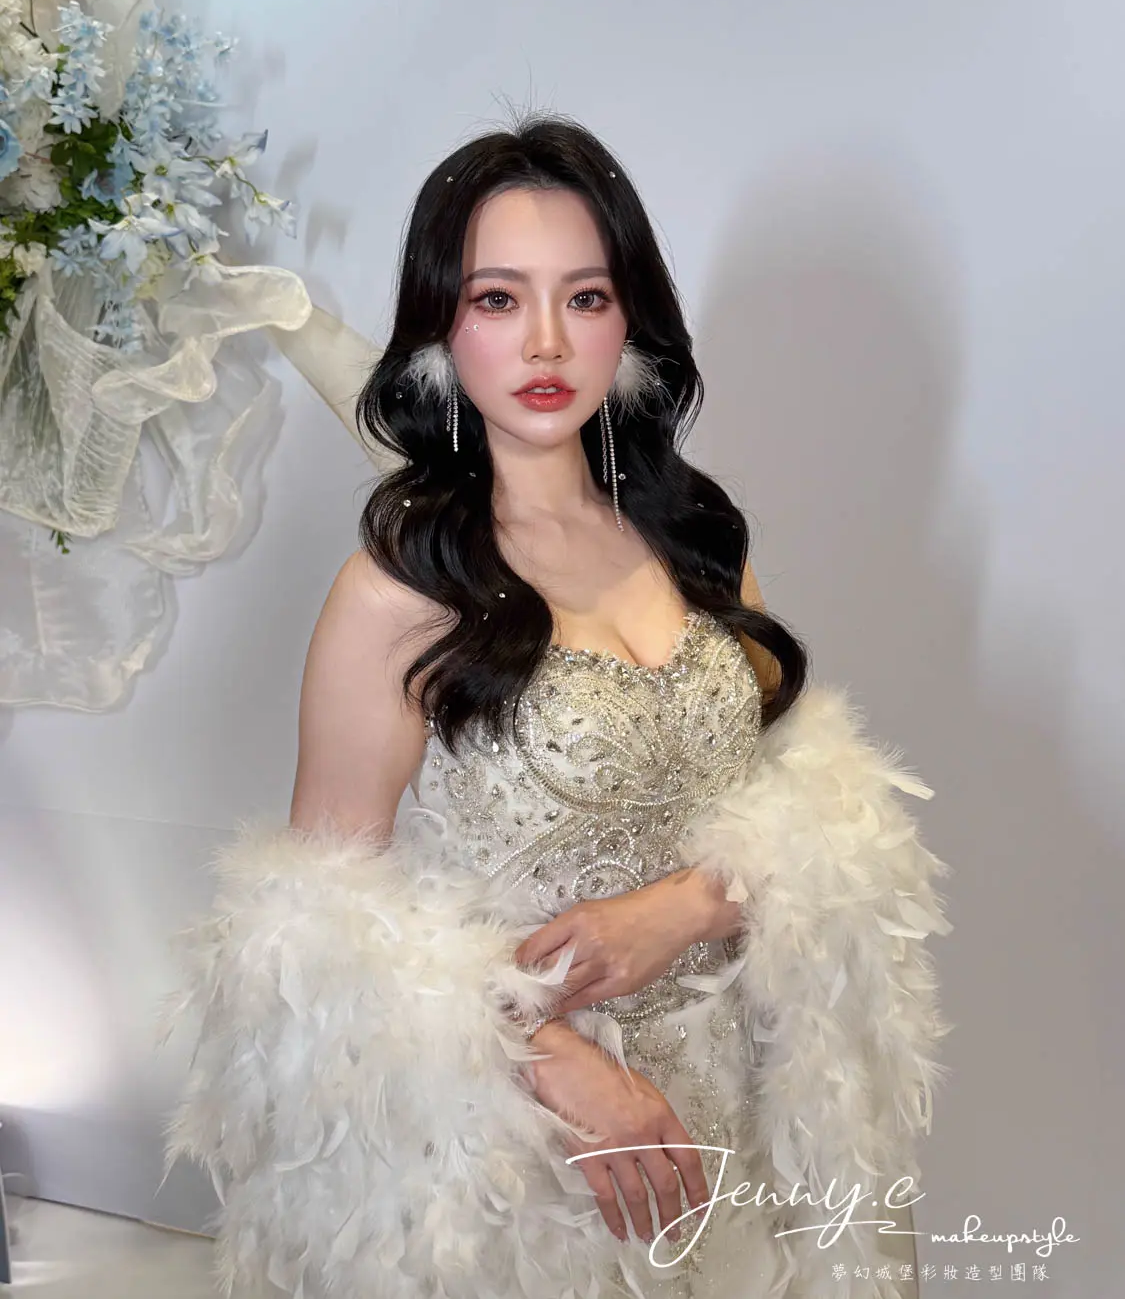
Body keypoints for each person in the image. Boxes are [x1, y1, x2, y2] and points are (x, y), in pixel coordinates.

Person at [157, 116, 953, 1299]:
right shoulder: (400, 591)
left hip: (749, 1111)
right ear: (442, 327)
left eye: (585, 298)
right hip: (531, 1161)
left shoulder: (695, 540)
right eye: (497, 299)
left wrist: (683, 908)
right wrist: (552, 1061)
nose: (545, 341)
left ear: (631, 323)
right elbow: (315, 930)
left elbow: (818, 805)